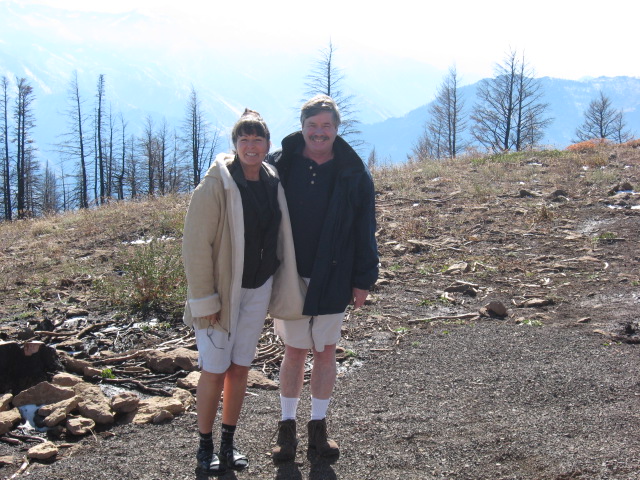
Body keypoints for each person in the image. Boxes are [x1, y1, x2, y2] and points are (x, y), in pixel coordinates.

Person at [182, 109, 302, 475]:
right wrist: (205, 300)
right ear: (235, 145)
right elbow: (195, 245)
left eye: (257, 140)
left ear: (267, 145)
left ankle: (228, 442)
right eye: (244, 140)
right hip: (221, 292)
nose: (251, 147)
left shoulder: (271, 179)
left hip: (257, 288)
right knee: (214, 370)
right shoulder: (216, 185)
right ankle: (205, 447)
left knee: (239, 368)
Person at [268, 94, 379, 461]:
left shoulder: (352, 171)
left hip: (335, 273)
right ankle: (287, 429)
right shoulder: (280, 165)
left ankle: (318, 426)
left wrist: (363, 279)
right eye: (312, 125)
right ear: (302, 127)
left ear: (336, 128)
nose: (319, 132)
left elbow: (366, 228)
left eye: (326, 126)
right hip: (290, 274)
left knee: (326, 350)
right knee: (295, 351)